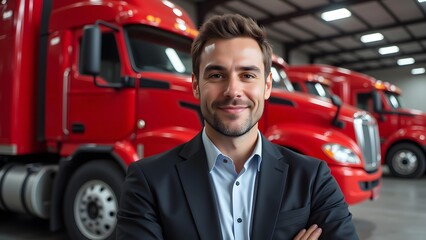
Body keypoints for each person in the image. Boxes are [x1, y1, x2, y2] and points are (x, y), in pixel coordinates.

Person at [116, 14, 359, 240]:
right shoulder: (148, 182)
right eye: (216, 75)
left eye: (248, 75)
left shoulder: (312, 177)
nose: (233, 91)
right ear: (195, 85)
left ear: (267, 86)